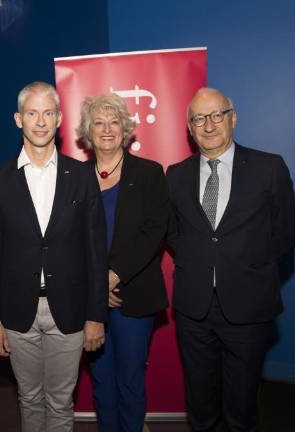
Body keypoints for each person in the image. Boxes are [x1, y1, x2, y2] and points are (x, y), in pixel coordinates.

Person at [166, 88, 295, 432]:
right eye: (199, 118)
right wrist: (202, 261)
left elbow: (286, 233)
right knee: (201, 403)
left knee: (241, 407)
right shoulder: (176, 175)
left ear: (233, 118)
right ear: (189, 127)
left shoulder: (269, 167)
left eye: (216, 115)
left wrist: (245, 264)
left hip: (249, 306)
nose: (208, 125)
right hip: (193, 309)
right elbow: (173, 233)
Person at [0, 81, 108, 432]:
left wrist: (96, 315)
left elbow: (97, 252)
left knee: (61, 400)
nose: (40, 121)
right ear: (18, 119)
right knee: (29, 398)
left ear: (60, 119)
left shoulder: (82, 176)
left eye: (48, 113)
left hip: (69, 308)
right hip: (17, 311)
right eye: (32, 113)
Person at [76, 93, 169, 432]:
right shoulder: (75, 178)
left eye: (114, 121)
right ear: (88, 130)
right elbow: (70, 242)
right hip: (91, 300)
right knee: (101, 378)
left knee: (129, 378)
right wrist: (96, 287)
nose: (106, 129)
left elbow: (154, 231)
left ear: (126, 128)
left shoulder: (149, 173)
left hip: (135, 294)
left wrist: (113, 277)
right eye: (98, 122)